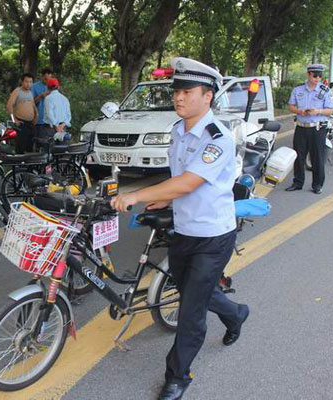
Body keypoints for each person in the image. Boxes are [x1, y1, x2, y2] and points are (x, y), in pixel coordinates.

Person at [111, 57, 249, 400]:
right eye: (176, 91)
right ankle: (236, 313)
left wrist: (138, 195)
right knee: (193, 291)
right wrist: (166, 200)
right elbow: (179, 181)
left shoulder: (217, 138)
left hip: (213, 236)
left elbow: (188, 182)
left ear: (208, 95)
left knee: (191, 310)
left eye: (187, 91)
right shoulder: (178, 130)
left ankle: (178, 376)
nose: (179, 97)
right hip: (184, 229)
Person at [286, 64, 333, 195]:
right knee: (298, 156)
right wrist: (299, 111)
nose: (317, 78)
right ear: (308, 74)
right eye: (314, 76)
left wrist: (317, 111)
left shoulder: (325, 91)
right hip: (302, 127)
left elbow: (330, 110)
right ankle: (298, 182)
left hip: (317, 127)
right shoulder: (298, 89)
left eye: (320, 76)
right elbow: (291, 106)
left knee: (317, 157)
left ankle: (317, 184)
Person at [6, 73, 38, 153]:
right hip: (21, 122)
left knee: (30, 146)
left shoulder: (30, 93)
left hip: (31, 123)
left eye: (31, 82)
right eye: (26, 82)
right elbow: (9, 105)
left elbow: (33, 105)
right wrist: (14, 120)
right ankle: (19, 165)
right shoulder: (17, 91)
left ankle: (28, 165)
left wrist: (36, 116)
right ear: (22, 82)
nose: (28, 84)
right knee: (21, 146)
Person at [32, 68, 53, 137]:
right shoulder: (34, 87)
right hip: (39, 120)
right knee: (39, 141)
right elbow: (31, 103)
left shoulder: (53, 87)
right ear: (42, 77)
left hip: (50, 120)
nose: (47, 81)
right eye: (45, 79)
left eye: (49, 79)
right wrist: (41, 96)